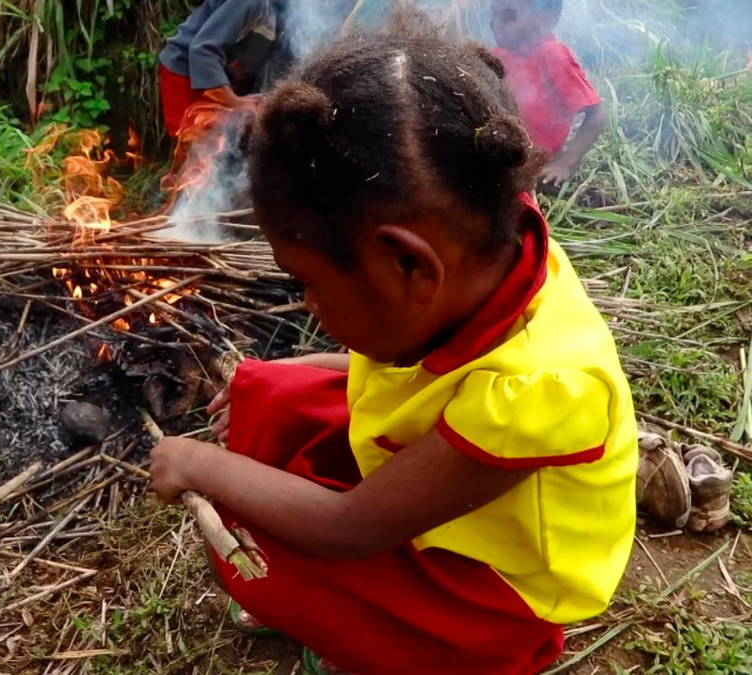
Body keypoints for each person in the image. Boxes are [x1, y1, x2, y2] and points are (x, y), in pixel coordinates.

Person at [149, 7, 637, 674]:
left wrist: (197, 464)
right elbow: (429, 377)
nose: (308, 305)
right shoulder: (493, 247)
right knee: (273, 390)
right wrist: (294, 375)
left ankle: (444, 649)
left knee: (262, 540)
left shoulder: (540, 392)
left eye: (310, 283)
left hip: (493, 591)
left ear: (409, 265)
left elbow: (349, 527)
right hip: (458, 474)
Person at [491, 0, 607, 187]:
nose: (497, 24)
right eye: (493, 14)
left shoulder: (553, 55)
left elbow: (597, 115)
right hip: (505, 156)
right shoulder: (497, 55)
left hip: (535, 164)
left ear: (547, 18)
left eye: (510, 15)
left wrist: (565, 163)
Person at [158, 0, 280, 137]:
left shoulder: (288, 14)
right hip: (186, 71)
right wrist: (234, 102)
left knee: (225, 140)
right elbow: (203, 51)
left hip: (223, 74)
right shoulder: (252, 2)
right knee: (197, 142)